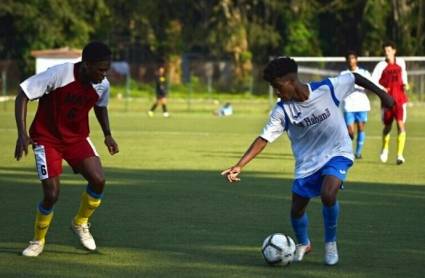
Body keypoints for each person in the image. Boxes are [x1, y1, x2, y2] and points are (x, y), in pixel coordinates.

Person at [221, 57, 393, 265]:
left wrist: (382, 94)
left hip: (338, 152)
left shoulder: (327, 89)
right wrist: (239, 165)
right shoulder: (282, 110)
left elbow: (354, 77)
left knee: (328, 193)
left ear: (290, 80)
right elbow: (263, 138)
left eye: (277, 86)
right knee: (296, 210)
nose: (276, 92)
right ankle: (304, 243)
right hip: (307, 164)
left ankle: (331, 245)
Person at [14, 41, 119, 257]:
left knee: (98, 180)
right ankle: (38, 241)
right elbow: (23, 94)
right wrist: (22, 133)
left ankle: (80, 222)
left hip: (77, 138)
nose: (104, 74)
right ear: (86, 64)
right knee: (51, 194)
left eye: (107, 69)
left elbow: (100, 107)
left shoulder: (102, 84)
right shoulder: (59, 75)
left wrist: (107, 134)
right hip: (46, 139)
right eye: (100, 69)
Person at [372, 41, 408, 165]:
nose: (386, 53)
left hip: (399, 100)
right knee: (387, 127)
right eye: (385, 51)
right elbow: (373, 80)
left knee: (401, 125)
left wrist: (405, 84)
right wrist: (382, 89)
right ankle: (385, 149)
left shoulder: (401, 62)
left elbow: (404, 76)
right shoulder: (381, 65)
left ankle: (399, 155)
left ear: (394, 51)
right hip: (387, 101)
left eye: (388, 50)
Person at [340, 51, 372, 159]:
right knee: (350, 132)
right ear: (347, 61)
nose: (351, 61)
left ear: (356, 60)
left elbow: (369, 85)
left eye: (353, 58)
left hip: (362, 105)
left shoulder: (364, 73)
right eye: (349, 59)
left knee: (361, 129)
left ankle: (358, 153)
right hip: (348, 105)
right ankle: (348, 149)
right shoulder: (343, 74)